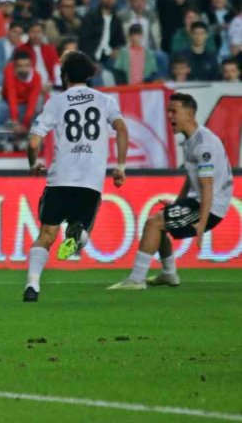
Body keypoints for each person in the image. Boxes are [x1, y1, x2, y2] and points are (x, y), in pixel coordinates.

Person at [23, 51, 128, 302]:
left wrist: (34, 162)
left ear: (65, 75)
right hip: (91, 182)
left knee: (46, 235)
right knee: (80, 230)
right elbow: (122, 129)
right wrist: (121, 166)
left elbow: (33, 141)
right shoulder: (105, 100)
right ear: (90, 75)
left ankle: (32, 286)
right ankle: (79, 235)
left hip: (61, 179)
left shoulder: (56, 102)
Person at [109, 93, 233, 290]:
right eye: (168, 111)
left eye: (174, 111)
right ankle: (168, 274)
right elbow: (191, 178)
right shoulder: (193, 139)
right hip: (200, 202)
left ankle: (137, 279)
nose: (169, 116)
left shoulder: (203, 145)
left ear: (190, 114)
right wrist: (179, 202)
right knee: (159, 224)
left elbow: (207, 186)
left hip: (208, 207)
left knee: (153, 224)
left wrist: (201, 223)